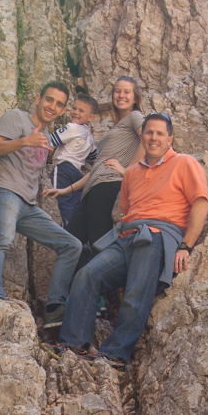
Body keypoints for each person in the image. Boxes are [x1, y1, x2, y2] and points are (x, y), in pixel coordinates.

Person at [47, 112, 208, 372]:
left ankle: (114, 355)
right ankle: (73, 344)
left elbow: (201, 203)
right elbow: (126, 209)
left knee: (136, 291)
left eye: (159, 133)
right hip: (126, 236)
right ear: (142, 136)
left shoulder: (184, 163)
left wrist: (186, 246)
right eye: (149, 132)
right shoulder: (132, 172)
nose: (153, 137)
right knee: (87, 274)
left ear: (170, 138)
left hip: (157, 236)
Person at [42, 76, 145, 326]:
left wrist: (128, 171)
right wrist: (68, 189)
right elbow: (95, 167)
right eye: (117, 91)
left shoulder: (135, 118)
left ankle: (93, 301)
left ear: (135, 97)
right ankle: (60, 303)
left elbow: (149, 138)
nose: (121, 95)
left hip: (109, 185)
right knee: (72, 242)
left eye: (127, 92)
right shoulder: (114, 128)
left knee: (98, 241)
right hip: (92, 188)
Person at [0, 80, 82, 308]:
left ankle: (55, 305)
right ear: (38, 99)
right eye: (48, 99)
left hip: (28, 206)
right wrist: (26, 140)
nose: (52, 106)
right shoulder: (17, 118)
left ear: (62, 111)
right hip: (5, 191)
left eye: (58, 104)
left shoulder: (46, 137)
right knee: (2, 241)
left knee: (71, 245)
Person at [46, 94, 98, 229]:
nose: (75, 112)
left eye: (81, 111)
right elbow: (93, 156)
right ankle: (75, 230)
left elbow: (51, 139)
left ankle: (65, 229)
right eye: (74, 108)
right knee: (74, 205)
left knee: (60, 199)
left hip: (63, 168)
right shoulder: (89, 137)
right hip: (77, 174)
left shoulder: (72, 127)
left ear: (91, 117)